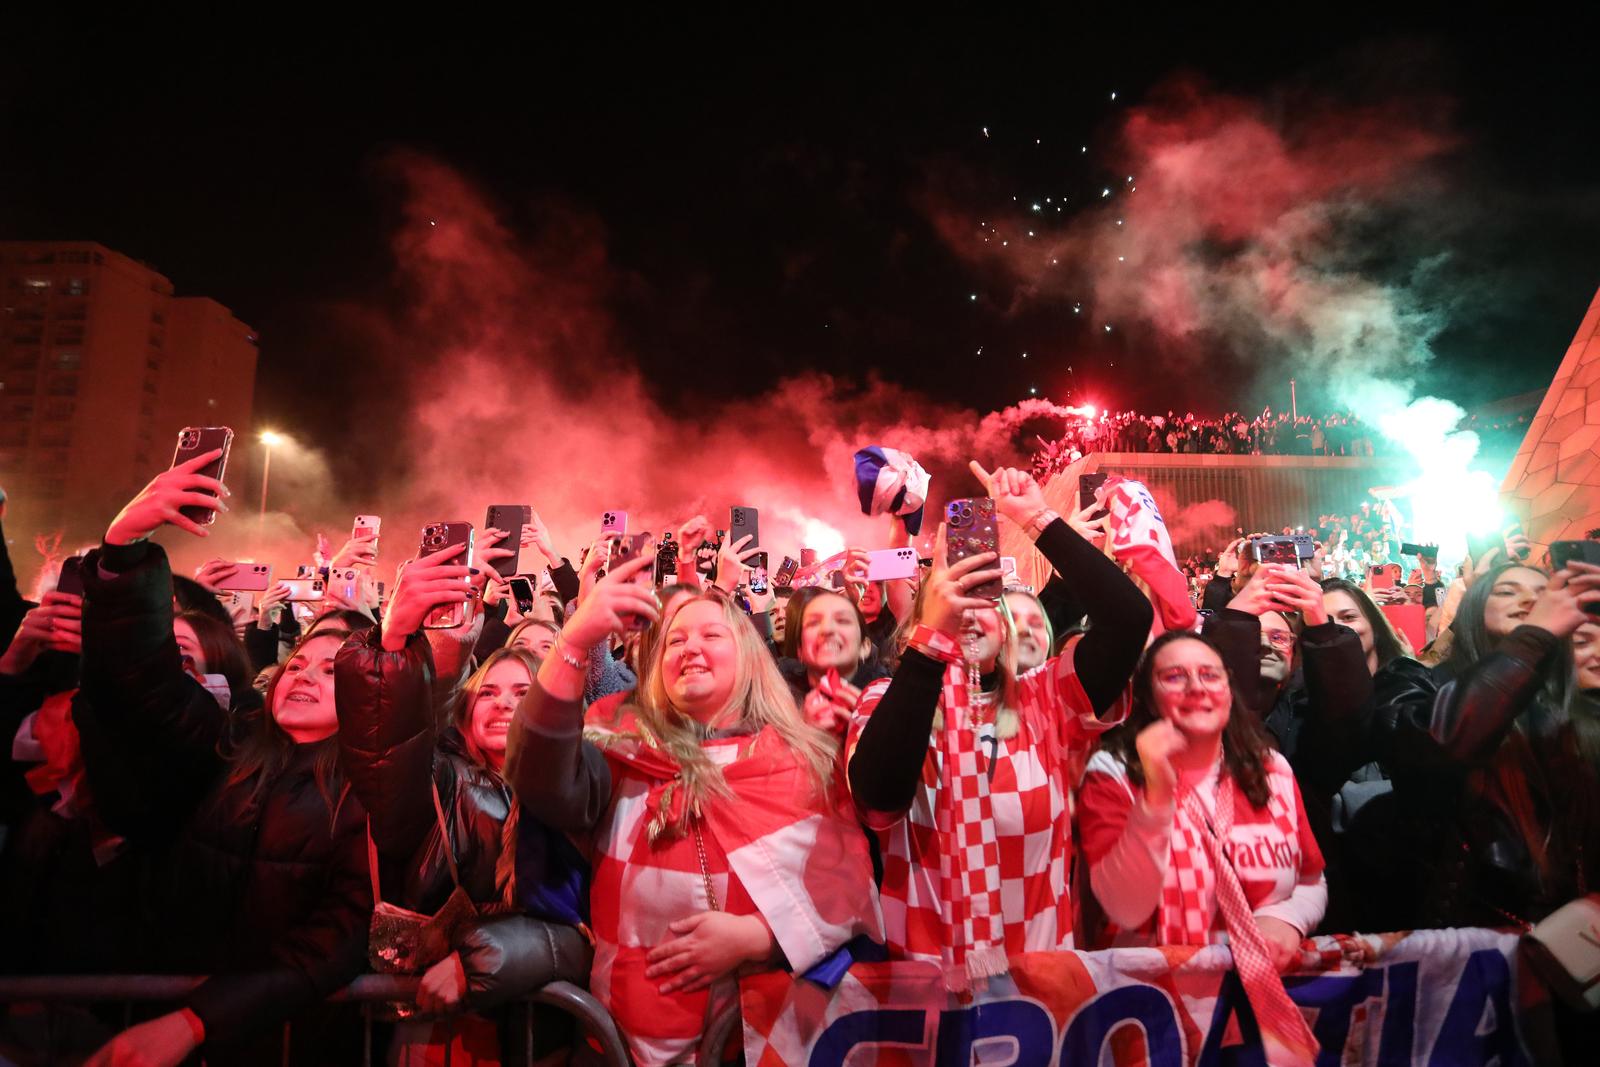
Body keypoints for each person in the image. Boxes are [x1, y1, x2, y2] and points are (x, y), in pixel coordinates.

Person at [507, 552, 880, 1067]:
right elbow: (538, 775)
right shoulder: (619, 746)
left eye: (711, 635)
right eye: (675, 640)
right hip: (620, 1042)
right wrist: (573, 642)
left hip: (752, 1043)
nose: (691, 648)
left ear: (748, 656)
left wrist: (760, 937)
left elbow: (847, 887)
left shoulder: (801, 761)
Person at [68, 451, 370, 1066]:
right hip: (161, 1017)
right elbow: (146, 681)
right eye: (300, 661)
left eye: (332, 669)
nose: (305, 674)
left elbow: (337, 936)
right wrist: (124, 550)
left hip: (286, 1042)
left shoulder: (368, 791)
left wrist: (197, 1021)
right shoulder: (226, 742)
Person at [847, 462, 1150, 988]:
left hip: (1040, 988)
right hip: (932, 993)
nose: (968, 612)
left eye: (985, 599)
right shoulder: (882, 699)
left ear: (1007, 628)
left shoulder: (1046, 697)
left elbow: (1129, 621)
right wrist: (932, 643)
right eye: (951, 599)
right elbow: (878, 797)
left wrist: (1038, 520)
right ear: (923, 618)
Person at [336, 550, 590, 1060]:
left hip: (552, 1042)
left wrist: (483, 958)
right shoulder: (440, 782)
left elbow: (590, 931)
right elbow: (391, 744)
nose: (503, 703)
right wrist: (394, 642)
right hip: (444, 1040)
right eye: (488, 693)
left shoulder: (584, 793)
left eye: (522, 691)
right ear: (466, 711)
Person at [1079, 631, 1325, 1064]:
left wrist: (1287, 919)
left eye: (1210, 675)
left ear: (1228, 689)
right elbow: (1125, 908)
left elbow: (1311, 879)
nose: (1196, 687)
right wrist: (1156, 798)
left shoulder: (1272, 770)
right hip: (1149, 1014)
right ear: (1148, 698)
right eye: (1175, 676)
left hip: (1256, 1011)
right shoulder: (1112, 772)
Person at [777, 589, 889, 736]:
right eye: (813, 622)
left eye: (842, 620)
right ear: (800, 651)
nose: (827, 629)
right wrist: (803, 734)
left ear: (865, 646)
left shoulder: (889, 698)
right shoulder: (779, 701)